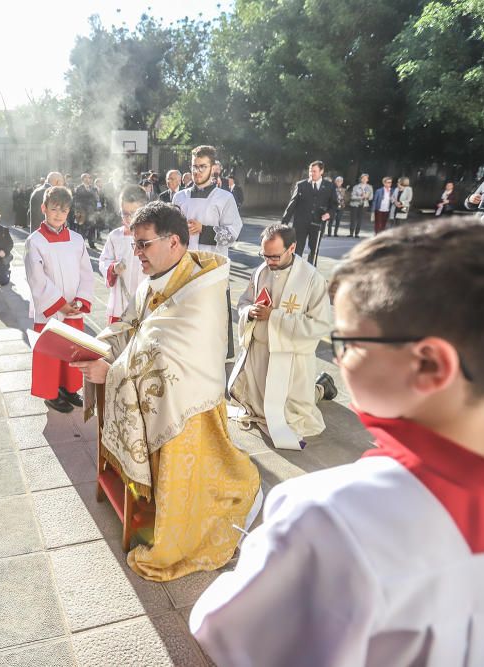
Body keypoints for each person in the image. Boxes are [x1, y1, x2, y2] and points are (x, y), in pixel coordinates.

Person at [191, 220, 484, 666]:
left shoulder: (329, 515)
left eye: (349, 342)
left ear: (429, 364)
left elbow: (224, 632)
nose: (341, 359)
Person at [73, 201, 261, 581]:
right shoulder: (156, 277)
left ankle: (175, 516)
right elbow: (133, 325)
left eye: (143, 244)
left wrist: (109, 372)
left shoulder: (200, 290)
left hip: (187, 406)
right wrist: (99, 346)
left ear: (173, 241)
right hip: (164, 390)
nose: (136, 253)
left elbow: (160, 353)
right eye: (135, 244)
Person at [227, 224, 335, 450]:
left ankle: (321, 387)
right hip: (260, 353)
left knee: (292, 411)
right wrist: (249, 311)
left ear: (292, 248)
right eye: (264, 255)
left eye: (274, 256)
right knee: (261, 407)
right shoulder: (260, 271)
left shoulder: (311, 279)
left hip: (290, 356)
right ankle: (318, 387)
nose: (268, 261)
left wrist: (274, 317)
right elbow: (244, 302)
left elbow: (321, 324)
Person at [25, 185, 94, 414]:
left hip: (73, 308)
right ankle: (51, 394)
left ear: (69, 212)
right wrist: (60, 305)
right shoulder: (35, 241)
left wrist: (80, 301)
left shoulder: (76, 240)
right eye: (54, 209)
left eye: (63, 211)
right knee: (51, 354)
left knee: (71, 351)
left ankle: (69, 388)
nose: (58, 214)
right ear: (44, 208)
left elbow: (86, 272)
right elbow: (37, 278)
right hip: (51, 310)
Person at [173, 145, 244, 356]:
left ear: (213, 168)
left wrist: (203, 230)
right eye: (194, 166)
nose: (197, 171)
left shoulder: (224, 198)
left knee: (213, 328)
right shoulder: (180, 198)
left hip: (212, 271)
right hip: (184, 270)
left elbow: (233, 232)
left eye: (202, 167)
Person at [98, 185, 149, 323]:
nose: (128, 218)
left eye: (134, 213)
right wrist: (113, 268)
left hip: (146, 303)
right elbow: (104, 260)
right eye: (124, 213)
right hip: (120, 304)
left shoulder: (153, 236)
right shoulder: (115, 236)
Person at [280, 160, 338, 259]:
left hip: (318, 223)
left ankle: (311, 272)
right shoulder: (301, 185)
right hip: (300, 224)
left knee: (314, 250)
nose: (311, 174)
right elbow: (292, 204)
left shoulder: (330, 186)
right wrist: (284, 222)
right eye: (310, 171)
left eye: (314, 171)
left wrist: (329, 214)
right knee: (297, 249)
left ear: (322, 171)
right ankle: (296, 269)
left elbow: (334, 205)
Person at [347, 173, 372, 238]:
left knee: (360, 219)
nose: (364, 179)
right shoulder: (356, 187)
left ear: (367, 179)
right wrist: (361, 197)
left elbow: (371, 197)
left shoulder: (369, 187)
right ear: (360, 179)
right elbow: (353, 196)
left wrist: (367, 197)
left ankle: (357, 233)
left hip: (364, 205)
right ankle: (351, 233)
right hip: (355, 204)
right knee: (353, 219)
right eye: (363, 178)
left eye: (366, 178)